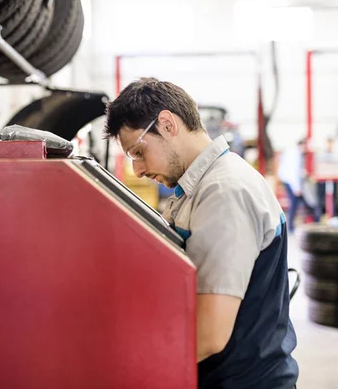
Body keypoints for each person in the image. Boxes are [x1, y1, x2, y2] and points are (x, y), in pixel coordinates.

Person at [104, 78, 298, 389]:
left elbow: (209, 335)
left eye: (138, 152)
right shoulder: (196, 188)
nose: (137, 170)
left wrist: (124, 369)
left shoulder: (224, 191)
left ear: (167, 125)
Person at [278, 138, 318, 230]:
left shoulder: (293, 151)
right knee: (294, 204)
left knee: (296, 204)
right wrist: (296, 188)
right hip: (291, 182)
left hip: (288, 181)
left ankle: (293, 226)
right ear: (302, 145)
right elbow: (293, 172)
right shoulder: (295, 154)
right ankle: (291, 227)